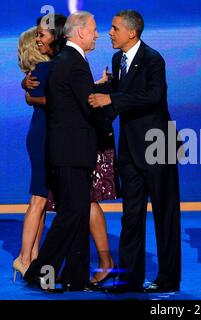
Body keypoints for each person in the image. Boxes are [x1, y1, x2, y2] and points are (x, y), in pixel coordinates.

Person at [16, 15, 119, 290]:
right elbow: (88, 105)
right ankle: (38, 272)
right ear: (81, 33)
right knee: (72, 213)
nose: (97, 35)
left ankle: (75, 277)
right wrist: (107, 124)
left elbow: (73, 99)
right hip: (71, 151)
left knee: (76, 211)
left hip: (69, 150)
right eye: (95, 31)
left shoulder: (67, 61)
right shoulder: (73, 62)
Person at [89, 10, 181, 293]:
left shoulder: (153, 59)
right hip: (130, 148)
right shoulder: (118, 60)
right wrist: (101, 89)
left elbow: (154, 96)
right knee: (131, 215)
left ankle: (168, 278)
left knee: (165, 214)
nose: (109, 32)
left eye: (114, 28)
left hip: (159, 144)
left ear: (132, 33)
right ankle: (130, 279)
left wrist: (111, 96)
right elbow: (116, 101)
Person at [13, 15, 65, 280]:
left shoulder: (39, 71)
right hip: (45, 137)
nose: (41, 40)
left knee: (41, 199)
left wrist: (28, 91)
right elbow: (53, 100)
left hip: (40, 134)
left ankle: (32, 256)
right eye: (38, 38)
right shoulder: (46, 70)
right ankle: (24, 258)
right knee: (39, 199)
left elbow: (33, 97)